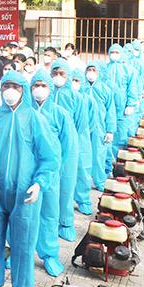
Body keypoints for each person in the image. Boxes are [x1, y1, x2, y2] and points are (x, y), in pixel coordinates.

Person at [0, 71, 60, 287]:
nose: (10, 91)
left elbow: (50, 158)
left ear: (23, 90)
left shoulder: (35, 120)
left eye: (16, 86)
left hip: (25, 192)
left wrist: (40, 183)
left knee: (23, 241)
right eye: (6, 86)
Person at [28, 69, 74, 277]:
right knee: (23, 214)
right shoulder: (23, 113)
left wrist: (57, 170)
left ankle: (49, 254)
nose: (39, 89)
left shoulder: (60, 114)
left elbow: (67, 147)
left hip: (51, 174)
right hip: (25, 173)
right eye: (36, 85)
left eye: (43, 85)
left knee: (48, 213)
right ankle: (21, 251)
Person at [48, 59, 93, 216]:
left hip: (70, 144)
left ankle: (66, 218)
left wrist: (70, 139)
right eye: (54, 73)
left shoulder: (76, 98)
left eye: (62, 73)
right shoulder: (46, 94)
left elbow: (82, 123)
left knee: (68, 179)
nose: (58, 77)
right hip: (47, 144)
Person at [85, 61, 116, 188]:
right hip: (83, 127)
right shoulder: (81, 88)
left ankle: (99, 181)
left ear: (99, 72)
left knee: (98, 155)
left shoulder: (105, 90)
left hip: (99, 127)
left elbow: (110, 111)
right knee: (83, 154)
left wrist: (110, 130)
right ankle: (83, 182)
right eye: (89, 69)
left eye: (94, 70)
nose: (91, 73)